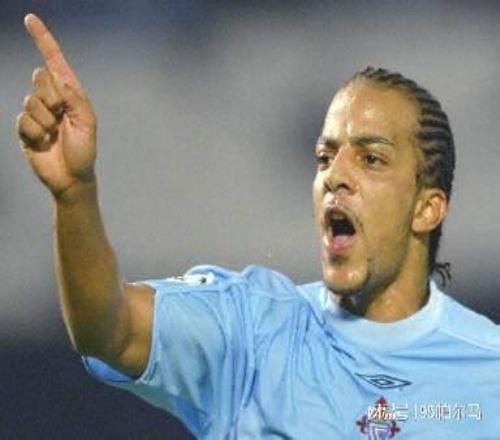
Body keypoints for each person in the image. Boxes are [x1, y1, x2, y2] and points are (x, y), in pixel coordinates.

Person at [16, 13, 500, 439]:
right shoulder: (251, 331)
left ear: (427, 209)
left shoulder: (487, 372)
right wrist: (74, 193)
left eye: (371, 158)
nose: (335, 176)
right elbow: (109, 330)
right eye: (325, 157)